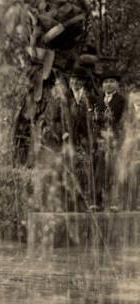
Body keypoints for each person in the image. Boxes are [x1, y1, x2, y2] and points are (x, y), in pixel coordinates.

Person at [60, 68, 100, 210]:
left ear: (83, 82)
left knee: (86, 170)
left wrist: (93, 138)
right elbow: (54, 118)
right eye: (72, 79)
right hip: (68, 140)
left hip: (85, 140)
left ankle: (88, 203)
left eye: (77, 80)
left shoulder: (92, 99)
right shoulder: (63, 97)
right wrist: (62, 133)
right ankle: (70, 204)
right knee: (69, 170)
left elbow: (96, 121)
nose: (74, 82)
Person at [95, 70, 126, 209]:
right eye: (106, 82)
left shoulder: (122, 101)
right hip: (100, 140)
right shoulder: (97, 100)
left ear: (117, 84)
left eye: (112, 81)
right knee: (99, 169)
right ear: (102, 85)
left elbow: (124, 122)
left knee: (113, 170)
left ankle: (115, 202)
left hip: (115, 140)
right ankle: (98, 202)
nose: (109, 84)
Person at [118, 88, 140, 210]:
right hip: (129, 151)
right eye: (135, 100)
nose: (137, 102)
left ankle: (135, 202)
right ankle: (126, 202)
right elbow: (123, 132)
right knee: (125, 172)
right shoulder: (127, 116)